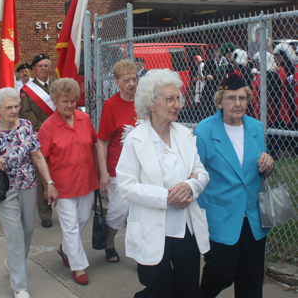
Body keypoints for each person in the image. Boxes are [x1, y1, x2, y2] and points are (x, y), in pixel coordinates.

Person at [116, 68, 210, 298]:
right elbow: (126, 185)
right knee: (159, 289)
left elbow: (201, 173)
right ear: (150, 103)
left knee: (188, 290)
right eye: (169, 99)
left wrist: (189, 186)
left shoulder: (185, 135)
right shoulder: (135, 140)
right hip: (152, 228)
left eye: (178, 98)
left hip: (185, 228)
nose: (177, 104)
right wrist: (166, 198)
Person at [0, 87, 58, 298]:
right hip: (4, 189)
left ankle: (12, 262)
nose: (14, 110)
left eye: (16, 106)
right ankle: (20, 286)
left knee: (28, 229)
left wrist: (49, 182)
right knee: (15, 234)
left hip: (28, 185)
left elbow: (37, 156)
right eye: (9, 107)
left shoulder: (26, 126)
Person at [194, 73, 274, 298]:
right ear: (219, 101)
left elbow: (259, 169)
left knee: (251, 280)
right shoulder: (205, 131)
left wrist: (268, 164)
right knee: (221, 272)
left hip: (253, 216)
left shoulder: (256, 127)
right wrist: (198, 218)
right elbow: (196, 176)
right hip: (221, 216)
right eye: (231, 98)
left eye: (242, 98)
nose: (237, 104)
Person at [37, 78, 99, 285]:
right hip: (62, 186)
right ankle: (78, 267)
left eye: (73, 101)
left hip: (87, 181)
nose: (70, 105)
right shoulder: (48, 127)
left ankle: (65, 248)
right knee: (71, 226)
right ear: (55, 100)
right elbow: (40, 158)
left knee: (82, 219)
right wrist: (48, 184)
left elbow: (95, 146)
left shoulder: (84, 119)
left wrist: (102, 173)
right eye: (65, 101)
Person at [97, 59, 139, 263]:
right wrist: (104, 173)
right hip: (118, 168)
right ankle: (109, 241)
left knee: (140, 212)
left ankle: (140, 253)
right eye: (126, 80)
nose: (132, 84)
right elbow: (102, 141)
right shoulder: (110, 105)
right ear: (117, 82)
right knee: (119, 210)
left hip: (142, 168)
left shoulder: (145, 101)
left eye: (134, 79)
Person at [19, 53, 56, 228]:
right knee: (43, 174)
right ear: (34, 69)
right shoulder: (27, 90)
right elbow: (26, 114)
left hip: (60, 136)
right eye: (40, 66)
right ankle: (45, 214)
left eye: (46, 66)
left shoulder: (56, 86)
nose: (43, 69)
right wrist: (46, 128)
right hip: (40, 136)